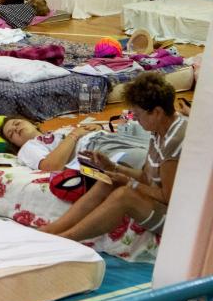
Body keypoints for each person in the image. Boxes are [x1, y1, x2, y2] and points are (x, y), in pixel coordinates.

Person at [40, 73, 188, 241]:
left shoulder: (175, 141)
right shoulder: (158, 130)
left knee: (124, 195)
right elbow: (147, 177)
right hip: (164, 200)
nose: (136, 120)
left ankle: (66, 239)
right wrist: (113, 168)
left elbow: (167, 197)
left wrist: (129, 183)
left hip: (180, 216)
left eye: (138, 115)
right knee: (108, 179)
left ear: (157, 112)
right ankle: (51, 230)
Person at [0, 116, 148, 172]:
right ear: (15, 144)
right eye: (11, 134)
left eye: (16, 123)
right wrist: (75, 134)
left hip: (108, 138)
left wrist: (96, 128)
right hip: (95, 150)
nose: (16, 128)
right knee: (148, 162)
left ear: (31, 122)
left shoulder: (55, 132)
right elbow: (52, 166)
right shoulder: (28, 148)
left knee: (160, 146)